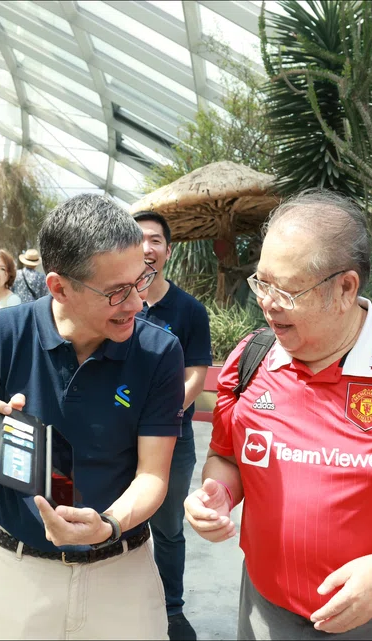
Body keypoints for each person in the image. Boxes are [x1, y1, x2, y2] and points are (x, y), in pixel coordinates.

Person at [184, 189, 372, 640]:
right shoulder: (251, 359)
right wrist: (218, 495)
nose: (267, 302)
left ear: (345, 288)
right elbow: (227, 457)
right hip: (267, 614)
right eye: (261, 283)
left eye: (285, 289)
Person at [0, 193, 185, 640]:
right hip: (20, 572)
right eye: (116, 291)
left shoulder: (157, 351)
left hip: (122, 571)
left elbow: (153, 475)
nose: (136, 303)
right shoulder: (3, 335)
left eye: (142, 279)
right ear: (58, 287)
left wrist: (107, 524)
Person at [134, 210, 212, 641]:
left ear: (167, 250)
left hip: (172, 439)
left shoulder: (188, 310)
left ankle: (171, 611)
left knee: (167, 529)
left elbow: (195, 377)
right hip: (116, 439)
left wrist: (157, 420)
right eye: (138, 239)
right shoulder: (112, 299)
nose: (147, 248)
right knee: (116, 524)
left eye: (155, 240)